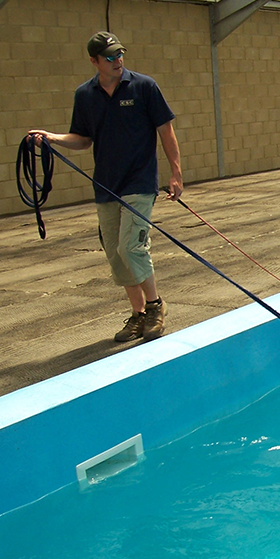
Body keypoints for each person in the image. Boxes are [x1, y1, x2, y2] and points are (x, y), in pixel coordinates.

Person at [30, 31, 183, 343]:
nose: (118, 61)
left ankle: (155, 306)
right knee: (115, 252)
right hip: (106, 185)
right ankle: (138, 314)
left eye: (120, 54)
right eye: (110, 57)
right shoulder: (85, 95)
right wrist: (52, 138)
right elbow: (83, 139)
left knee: (132, 246)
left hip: (139, 182)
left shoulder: (143, 86)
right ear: (94, 61)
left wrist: (176, 173)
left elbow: (165, 130)